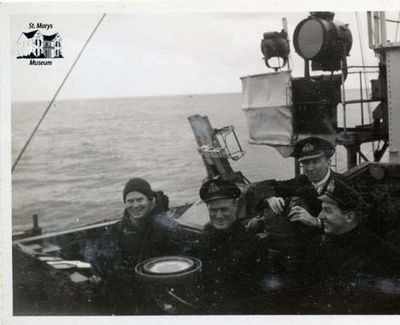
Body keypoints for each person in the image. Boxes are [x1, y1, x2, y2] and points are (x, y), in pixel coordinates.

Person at [86, 178, 187, 315]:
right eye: (130, 201)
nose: (135, 205)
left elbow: (180, 264)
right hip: (126, 292)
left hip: (156, 293)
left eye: (140, 200)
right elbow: (106, 258)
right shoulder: (119, 228)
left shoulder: (168, 228)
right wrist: (97, 272)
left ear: (150, 200)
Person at [303, 178, 400, 312]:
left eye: (327, 210)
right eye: (321, 209)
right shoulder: (318, 244)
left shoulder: (375, 251)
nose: (320, 215)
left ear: (349, 217)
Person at [193, 178, 265, 314]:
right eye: (213, 210)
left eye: (224, 209)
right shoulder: (206, 235)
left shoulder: (252, 244)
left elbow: (258, 298)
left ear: (236, 205)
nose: (219, 215)